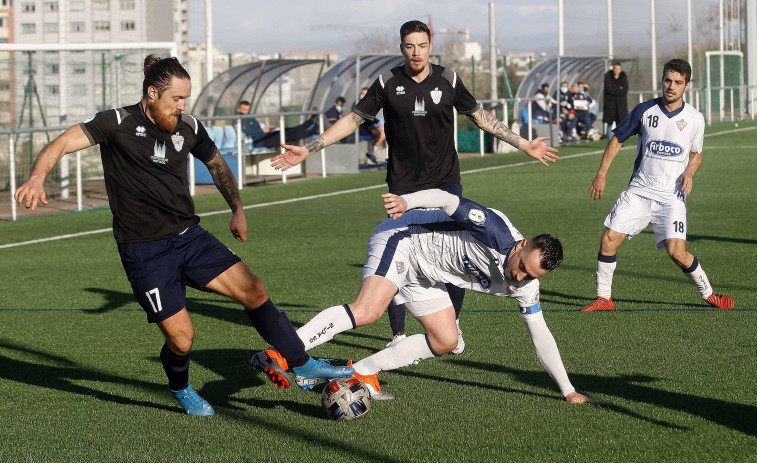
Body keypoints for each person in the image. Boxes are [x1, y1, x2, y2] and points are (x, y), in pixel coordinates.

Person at [14, 55, 353, 415]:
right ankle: (181, 387)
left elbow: (217, 163)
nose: (181, 106)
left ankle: (301, 364)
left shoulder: (188, 126)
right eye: (176, 98)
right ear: (151, 93)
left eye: (185, 99)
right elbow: (61, 143)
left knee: (254, 291)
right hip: (144, 252)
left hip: (190, 237)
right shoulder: (116, 122)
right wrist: (37, 178)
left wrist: (236, 209)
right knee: (182, 338)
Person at [270, 20, 559, 355]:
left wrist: (524, 144)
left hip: (446, 183)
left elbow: (480, 117)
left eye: (421, 45)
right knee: (400, 252)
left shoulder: (448, 79)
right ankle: (397, 334)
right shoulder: (387, 82)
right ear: (402, 47)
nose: (416, 52)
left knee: (452, 251)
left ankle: (452, 324)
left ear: (430, 45)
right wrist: (311, 147)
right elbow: (354, 119)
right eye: (409, 46)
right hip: (404, 187)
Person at [252, 189, 602, 404]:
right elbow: (449, 200)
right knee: (368, 310)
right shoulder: (494, 229)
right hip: (406, 237)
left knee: (447, 339)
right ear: (522, 245)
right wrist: (407, 201)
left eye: (530, 276)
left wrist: (567, 389)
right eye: (522, 267)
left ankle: (362, 372)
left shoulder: (527, 284)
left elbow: (540, 334)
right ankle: (282, 352)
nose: (519, 277)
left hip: (428, 273)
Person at [582, 59, 734, 312]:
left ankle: (710, 295)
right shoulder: (645, 111)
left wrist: (690, 172)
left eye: (677, 82)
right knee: (608, 239)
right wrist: (601, 174)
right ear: (662, 80)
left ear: (686, 85)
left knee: (677, 253)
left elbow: (697, 153)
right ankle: (604, 298)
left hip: (671, 196)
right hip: (639, 191)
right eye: (667, 80)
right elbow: (617, 139)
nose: (671, 86)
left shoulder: (695, 118)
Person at [356, 87, 385, 164]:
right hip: (361, 128)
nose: (363, 96)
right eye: (362, 94)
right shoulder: (358, 104)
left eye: (365, 94)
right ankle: (371, 153)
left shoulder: (369, 103)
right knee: (382, 135)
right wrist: (373, 125)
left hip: (368, 126)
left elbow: (371, 117)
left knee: (383, 134)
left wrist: (377, 122)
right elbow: (362, 118)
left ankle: (372, 153)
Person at [603, 62, 629, 138]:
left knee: (620, 123)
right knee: (609, 123)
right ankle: (609, 141)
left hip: (620, 105)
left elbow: (625, 89)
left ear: (621, 70)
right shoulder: (608, 77)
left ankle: (618, 140)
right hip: (610, 104)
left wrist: (614, 88)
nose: (616, 70)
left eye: (618, 69)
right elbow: (608, 89)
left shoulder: (623, 78)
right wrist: (618, 88)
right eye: (615, 69)